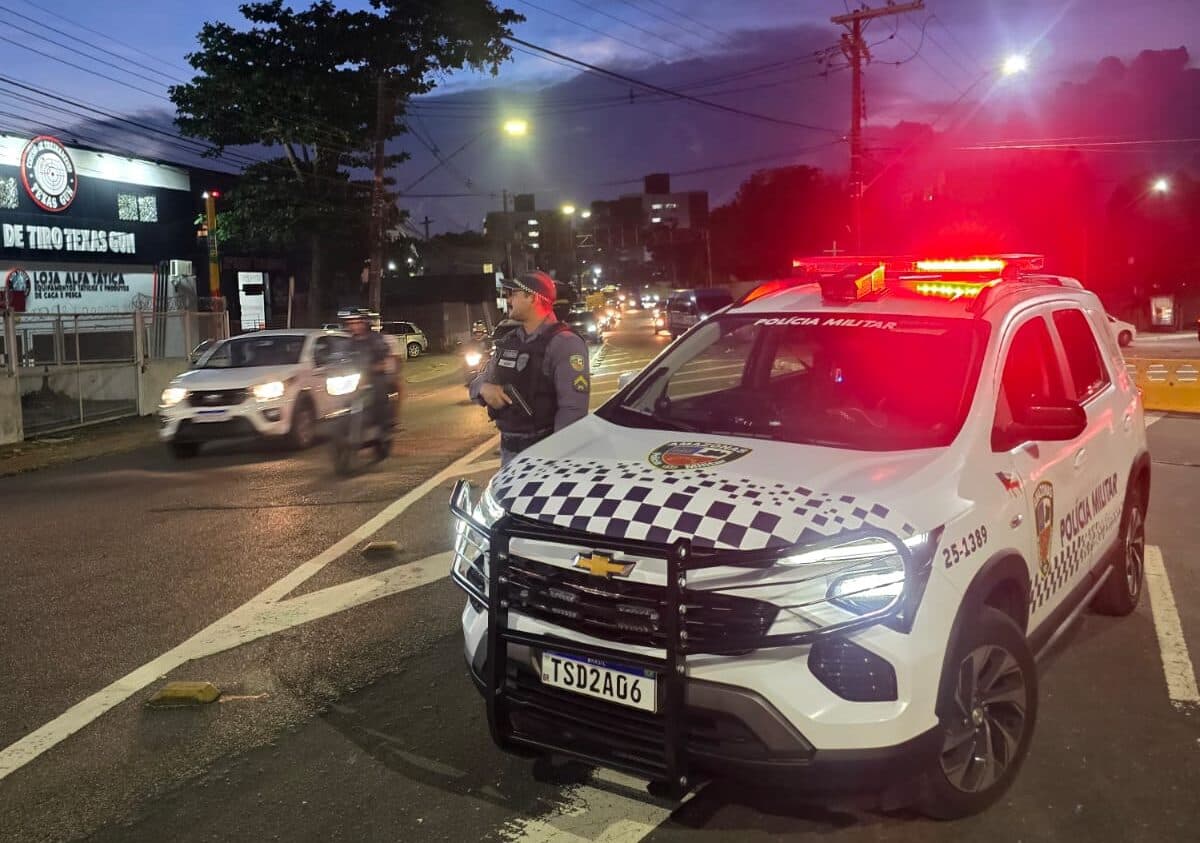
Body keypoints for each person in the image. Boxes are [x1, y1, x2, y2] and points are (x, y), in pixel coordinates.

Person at [469, 271, 591, 466]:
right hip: (508, 455)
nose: (508, 299)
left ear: (532, 297)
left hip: (544, 458)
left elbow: (572, 412)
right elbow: (476, 384)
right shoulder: (509, 342)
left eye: (513, 294)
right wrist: (485, 389)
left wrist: (557, 464)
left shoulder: (565, 344)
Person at [344, 312, 393, 433]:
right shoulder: (348, 342)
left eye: (357, 323)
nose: (354, 326)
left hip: (375, 376)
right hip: (356, 377)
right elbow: (340, 358)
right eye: (351, 323)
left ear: (365, 323)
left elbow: (385, 355)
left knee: (379, 394)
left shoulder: (375, 338)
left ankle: (383, 426)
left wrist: (377, 366)